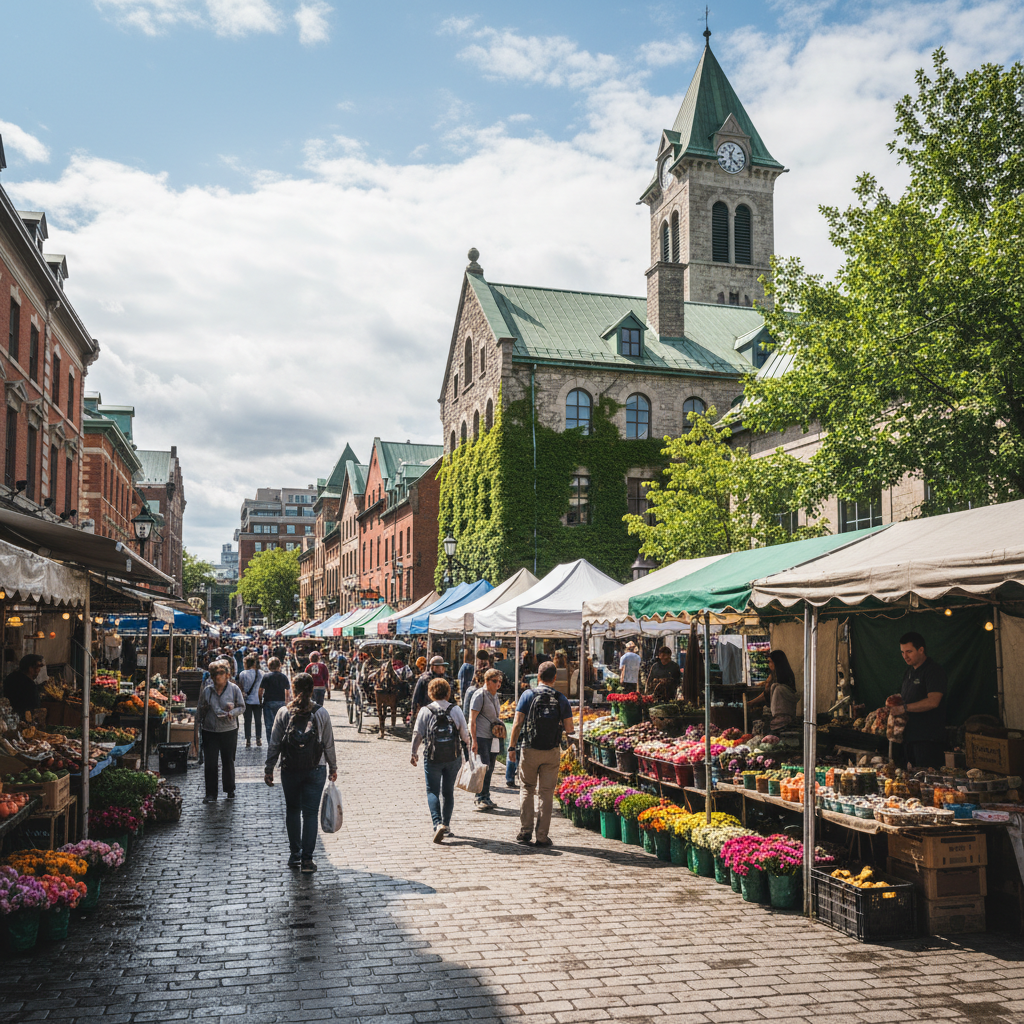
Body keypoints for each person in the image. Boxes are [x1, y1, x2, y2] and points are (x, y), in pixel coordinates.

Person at [264, 672, 338, 873]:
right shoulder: (321, 713)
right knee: (311, 814)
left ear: (293, 690)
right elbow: (328, 744)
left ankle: (294, 855)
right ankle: (307, 860)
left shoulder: (283, 712)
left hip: (290, 769)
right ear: (312, 690)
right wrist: (333, 767)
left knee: (293, 810)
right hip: (316, 768)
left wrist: (269, 768)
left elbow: (274, 743)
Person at [507, 661, 575, 847]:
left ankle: (525, 831)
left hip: (529, 749)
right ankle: (542, 836)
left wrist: (512, 747)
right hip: (551, 751)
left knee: (527, 788)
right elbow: (569, 729)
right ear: (555, 678)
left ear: (538, 676)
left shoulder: (527, 695)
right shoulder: (561, 698)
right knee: (546, 793)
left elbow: (517, 723)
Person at [410, 677, 471, 843]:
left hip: (432, 757)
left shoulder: (425, 710)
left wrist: (413, 753)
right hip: (453, 757)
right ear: (448, 692)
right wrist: (470, 750)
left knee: (432, 791)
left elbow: (418, 734)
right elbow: (465, 734)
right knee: (448, 791)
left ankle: (437, 824)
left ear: (430, 693)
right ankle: (447, 825)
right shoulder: (455, 709)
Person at [894, 632, 947, 769]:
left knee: (928, 781)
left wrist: (904, 708)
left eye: (909, 651)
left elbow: (933, 701)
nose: (905, 656)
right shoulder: (909, 672)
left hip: (927, 739)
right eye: (902, 652)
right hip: (908, 738)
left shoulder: (933, 671)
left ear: (921, 650)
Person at [196, 661, 245, 803]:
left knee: (227, 760)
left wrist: (232, 713)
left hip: (228, 730)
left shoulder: (234, 689)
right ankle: (211, 793)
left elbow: (242, 707)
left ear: (227, 675)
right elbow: (200, 708)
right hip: (210, 730)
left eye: (220, 673)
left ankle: (230, 789)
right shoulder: (207, 691)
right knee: (210, 762)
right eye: (214, 674)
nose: (217, 677)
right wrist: (198, 723)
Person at [469, 668, 504, 811]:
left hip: (493, 737)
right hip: (482, 736)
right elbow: (472, 720)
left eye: (500, 681)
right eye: (495, 681)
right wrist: (474, 740)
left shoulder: (495, 696)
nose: (498, 684)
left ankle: (486, 795)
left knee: (490, 768)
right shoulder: (479, 695)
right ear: (487, 681)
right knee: (482, 768)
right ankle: (479, 797)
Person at [3, 654, 45, 720]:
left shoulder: (10, 678)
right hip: (23, 721)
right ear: (30, 668)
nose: (39, 671)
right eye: (37, 668)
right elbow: (35, 707)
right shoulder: (30, 685)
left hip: (6, 718)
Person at [260, 656, 291, 738]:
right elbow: (287, 691)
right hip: (281, 702)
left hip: (268, 702)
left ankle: (271, 744)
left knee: (269, 725)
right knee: (281, 724)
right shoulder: (283, 677)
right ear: (279, 666)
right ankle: (280, 742)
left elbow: (260, 691)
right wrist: (287, 703)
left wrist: (260, 701)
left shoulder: (266, 677)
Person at [239, 654, 264, 748]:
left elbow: (241, 686)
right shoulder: (261, 673)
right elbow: (262, 687)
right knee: (258, 720)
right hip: (258, 700)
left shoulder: (242, 674)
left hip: (247, 700)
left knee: (247, 720)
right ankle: (258, 739)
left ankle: (248, 740)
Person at [461, 650, 492, 718]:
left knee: (470, 690)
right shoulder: (491, 670)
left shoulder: (479, 671)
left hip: (479, 692)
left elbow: (474, 683)